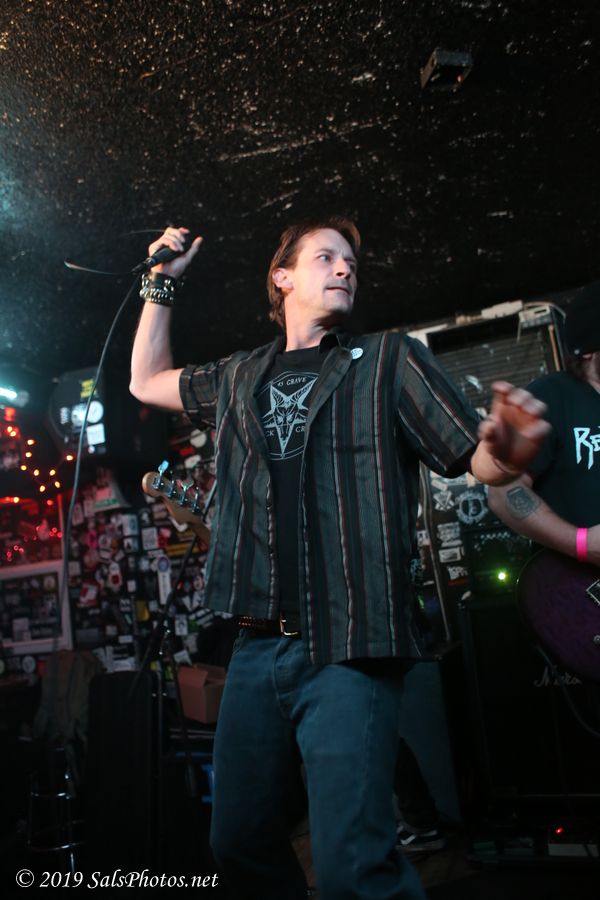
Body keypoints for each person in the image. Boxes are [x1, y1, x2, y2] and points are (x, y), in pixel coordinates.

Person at [130, 218, 549, 900]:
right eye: (326, 257)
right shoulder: (238, 376)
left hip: (351, 642)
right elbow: (147, 381)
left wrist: (508, 450)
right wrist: (159, 283)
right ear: (282, 277)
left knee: (352, 862)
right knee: (237, 842)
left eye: (351, 261)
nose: (346, 268)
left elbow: (475, 458)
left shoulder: (388, 361)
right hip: (256, 646)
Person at [488, 283, 600, 566]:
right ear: (589, 350)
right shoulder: (551, 395)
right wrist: (581, 543)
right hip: (580, 584)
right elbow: (502, 493)